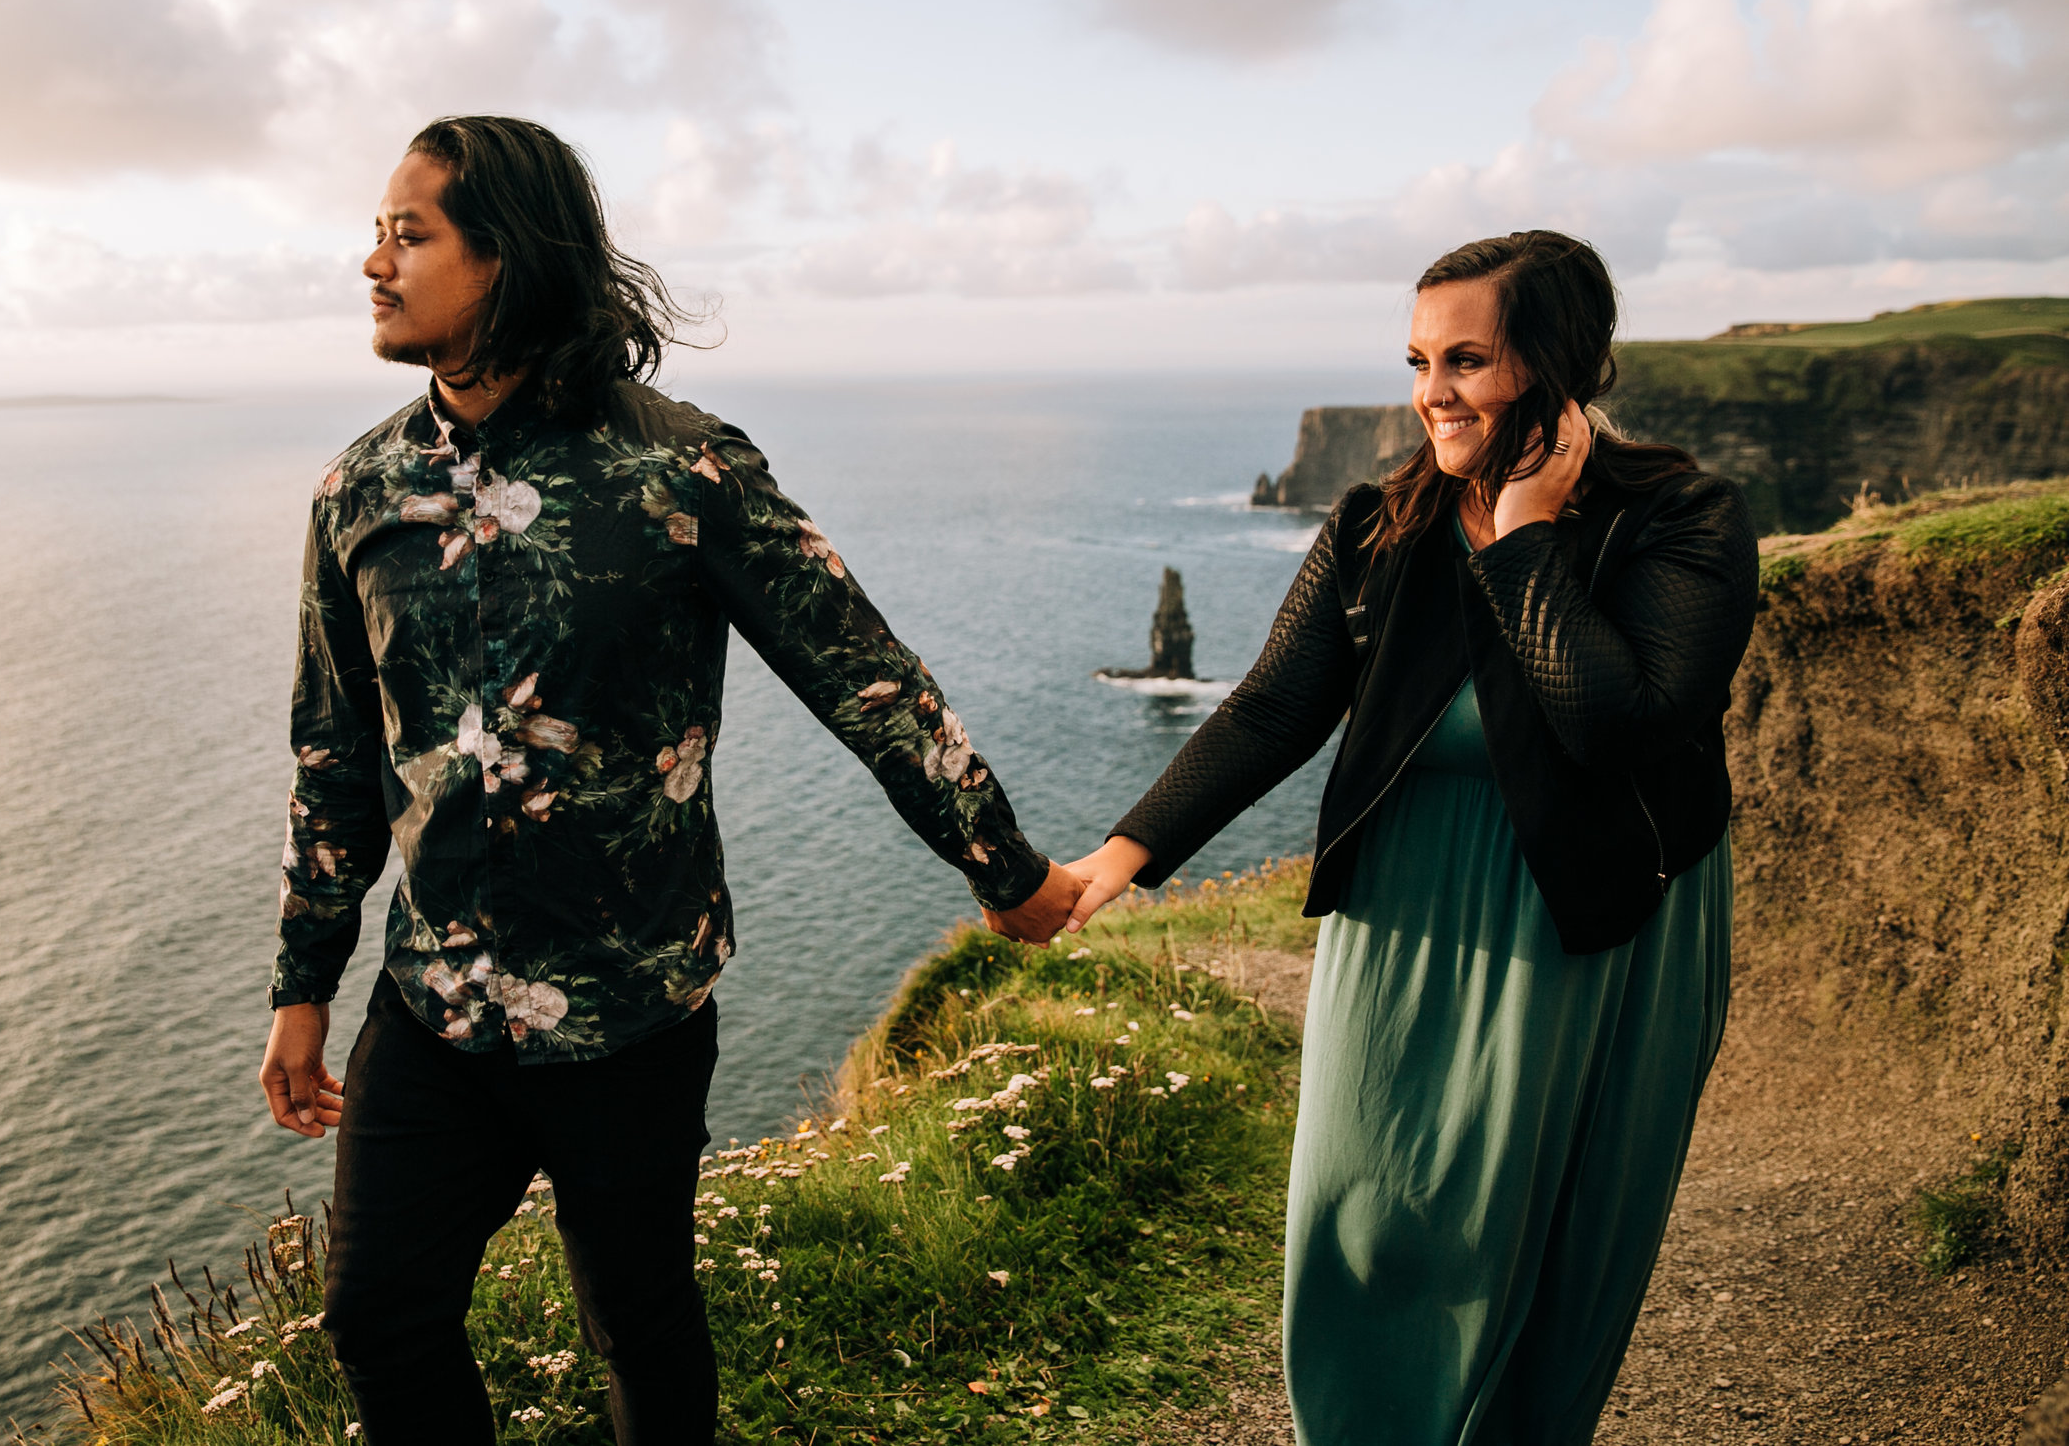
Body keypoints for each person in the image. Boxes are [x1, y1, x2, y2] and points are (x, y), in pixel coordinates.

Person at [254, 115, 1084, 1446]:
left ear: (510, 257)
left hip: (636, 999)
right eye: (377, 231)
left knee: (638, 1318)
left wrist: (1006, 866)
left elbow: (862, 672)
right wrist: (303, 983)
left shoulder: (681, 467)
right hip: (436, 1000)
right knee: (375, 1311)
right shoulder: (357, 490)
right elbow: (334, 751)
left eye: (409, 233)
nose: (372, 260)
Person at [1061, 230, 1758, 1443]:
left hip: (1601, 920)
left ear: (1557, 363)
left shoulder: (1681, 519)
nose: (1430, 390)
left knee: (1556, 1247)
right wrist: (1107, 866)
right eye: (1418, 358)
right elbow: (1275, 701)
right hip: (1408, 907)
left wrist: (1526, 538)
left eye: (1467, 360)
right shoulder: (1380, 523)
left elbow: (1620, 723)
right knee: (1363, 1218)